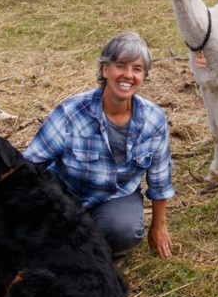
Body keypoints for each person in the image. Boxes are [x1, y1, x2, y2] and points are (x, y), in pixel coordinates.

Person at [23, 32, 175, 266]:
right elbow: (30, 165)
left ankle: (105, 245)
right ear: (105, 70)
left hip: (115, 196)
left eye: (137, 69)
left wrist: (158, 226)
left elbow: (159, 178)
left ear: (144, 76)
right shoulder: (71, 112)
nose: (128, 75)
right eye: (120, 66)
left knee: (124, 230)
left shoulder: (154, 119)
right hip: (66, 195)